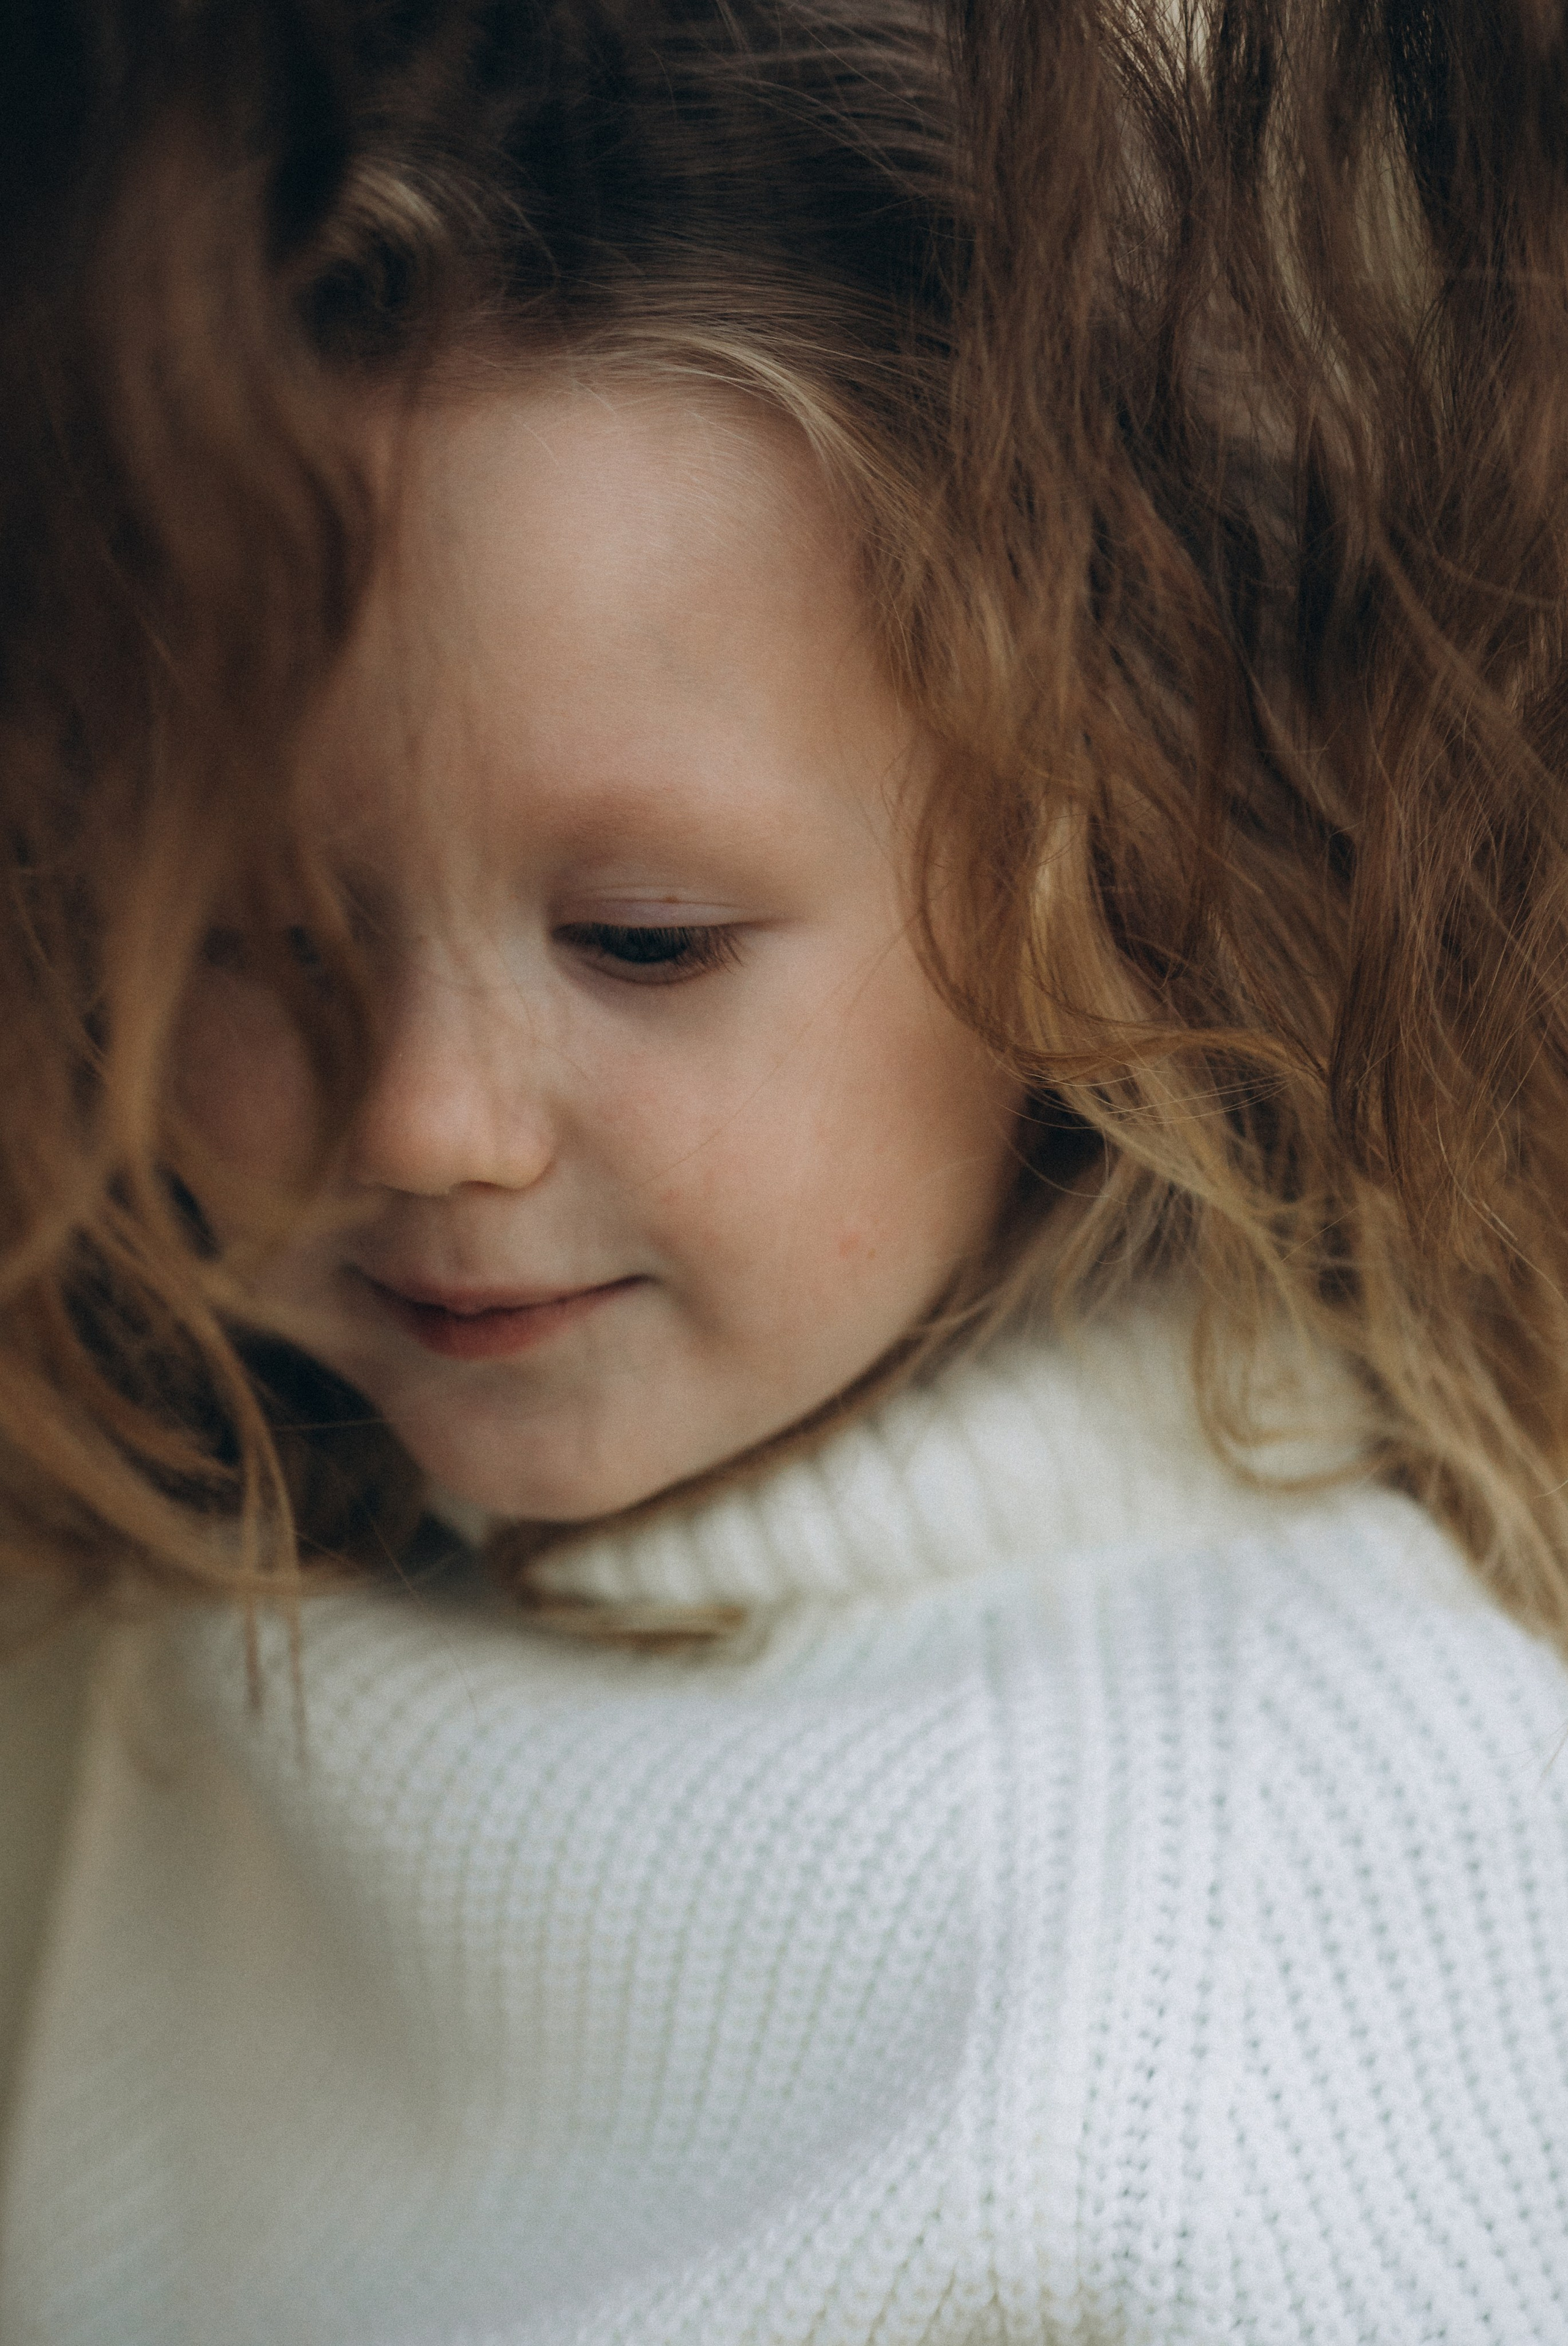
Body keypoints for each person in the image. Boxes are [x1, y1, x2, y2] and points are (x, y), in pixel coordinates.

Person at [2, 1, 1568, 2339]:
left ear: (1080, 870)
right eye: (263, 941)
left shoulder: (1282, 1928)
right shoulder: (137, 1585)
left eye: (645, 941)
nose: (427, 1121)